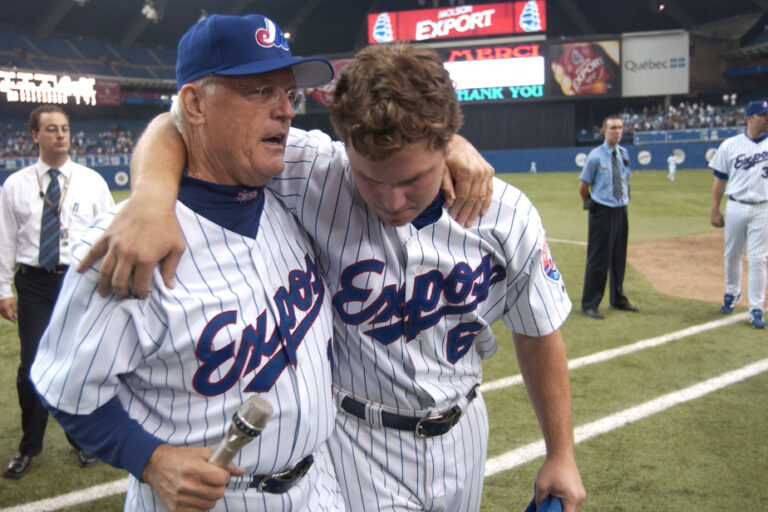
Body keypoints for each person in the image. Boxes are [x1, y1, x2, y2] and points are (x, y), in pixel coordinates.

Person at [77, 43, 585, 511]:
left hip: (464, 428)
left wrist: (560, 452)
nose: (390, 201)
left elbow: (538, 329)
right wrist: (150, 192)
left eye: (412, 180)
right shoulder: (315, 171)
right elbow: (179, 121)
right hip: (355, 439)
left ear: (446, 142)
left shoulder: (507, 215)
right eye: (371, 179)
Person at [31, 14, 347, 511]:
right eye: (261, 90)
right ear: (196, 104)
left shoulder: (291, 196)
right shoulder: (127, 244)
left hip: (320, 487)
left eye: (289, 94)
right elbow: (66, 386)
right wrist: (151, 459)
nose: (285, 111)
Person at [0, 105, 113, 479]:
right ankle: (28, 446)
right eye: (51, 129)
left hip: (78, 280)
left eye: (64, 128)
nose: (61, 135)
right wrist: (4, 289)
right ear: (35, 136)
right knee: (32, 365)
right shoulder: (15, 185)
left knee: (79, 363)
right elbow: (5, 241)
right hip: (32, 283)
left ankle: (82, 440)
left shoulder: (92, 181)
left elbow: (110, 231)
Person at [710, 99, 768, 329]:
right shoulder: (730, 145)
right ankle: (732, 293)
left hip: (763, 207)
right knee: (732, 254)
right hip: (735, 205)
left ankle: (756, 307)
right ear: (749, 118)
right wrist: (714, 209)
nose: (766, 118)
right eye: (762, 115)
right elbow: (719, 180)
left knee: (758, 259)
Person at [578, 114, 638, 319]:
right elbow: (583, 187)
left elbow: (625, 178)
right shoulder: (595, 156)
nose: (617, 131)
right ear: (604, 131)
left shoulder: (624, 153)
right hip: (602, 210)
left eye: (620, 128)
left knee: (618, 256)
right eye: (613, 128)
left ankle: (618, 298)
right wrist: (591, 202)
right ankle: (590, 303)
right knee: (598, 258)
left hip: (621, 209)